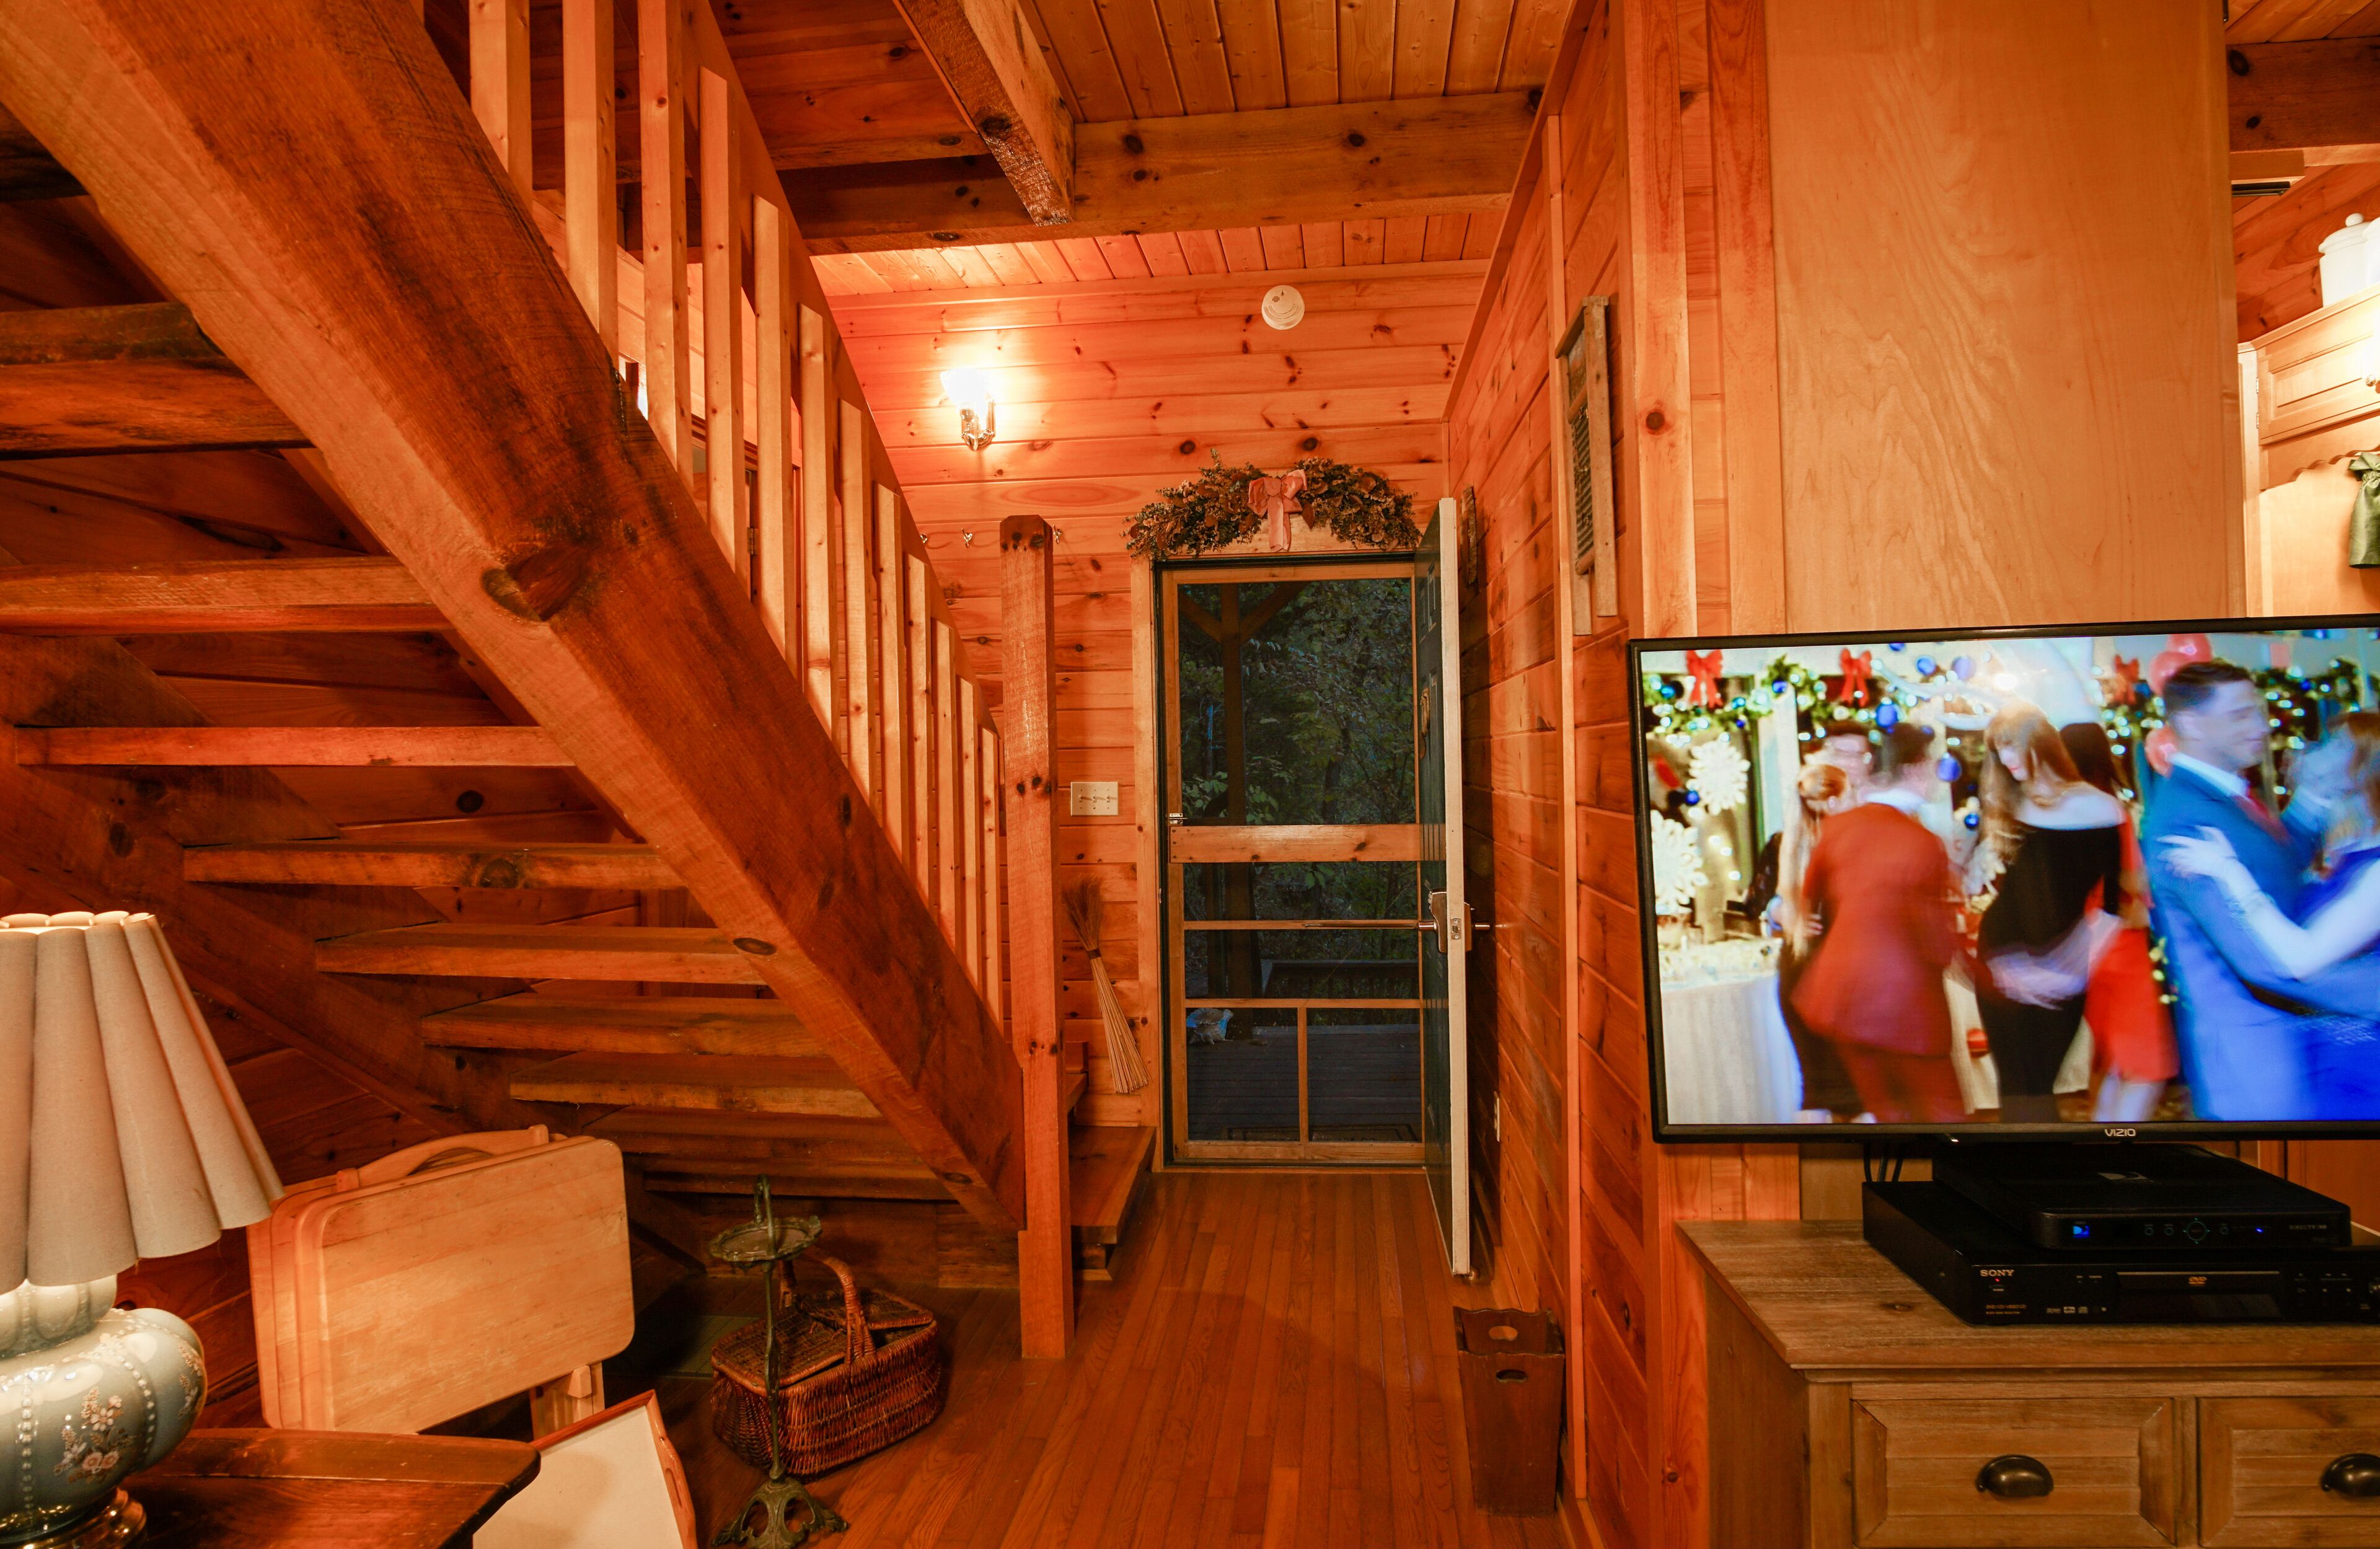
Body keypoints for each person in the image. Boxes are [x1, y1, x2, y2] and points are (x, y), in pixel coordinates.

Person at [2141, 660, 2380, 1121]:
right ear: (2191, 723)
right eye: (2240, 714)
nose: (2259, 725)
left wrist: (2310, 804)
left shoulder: (2227, 796)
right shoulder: (2187, 821)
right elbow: (2266, 964)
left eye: (2257, 710)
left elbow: (2276, 870)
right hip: (2255, 1056)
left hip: (2309, 1044)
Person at [1791, 722, 1966, 1123]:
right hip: (1905, 1007)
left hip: (1842, 1002)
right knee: (1946, 1123)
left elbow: (1808, 904)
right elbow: (1938, 944)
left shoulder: (1836, 828)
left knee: (1892, 1120)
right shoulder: (1923, 841)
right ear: (1917, 768)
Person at [1971, 705, 2128, 1123]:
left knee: (2039, 1077)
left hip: (2066, 961)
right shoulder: (2008, 803)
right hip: (2001, 956)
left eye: (2012, 747)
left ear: (2042, 742)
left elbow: (2115, 905)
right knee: (2018, 1082)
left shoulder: (2103, 808)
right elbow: (2007, 890)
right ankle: (2026, 1177)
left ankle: (2033, 1174)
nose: (2006, 761)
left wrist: (2073, 962)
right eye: (1998, 751)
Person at [2058, 720, 2180, 1122]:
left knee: (2117, 1062)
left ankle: (2100, 1151)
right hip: (2121, 948)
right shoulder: (2109, 810)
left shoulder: (2057, 814)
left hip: (2085, 949)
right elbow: (2130, 877)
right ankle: (2120, 1153)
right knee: (2147, 1064)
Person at [1773, 761, 1863, 1118]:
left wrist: (1783, 914)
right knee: (1853, 1092)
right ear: (1840, 798)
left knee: (1817, 1087)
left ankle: (1809, 1171)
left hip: (1797, 970)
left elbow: (1775, 902)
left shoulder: (1792, 845)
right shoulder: (1850, 843)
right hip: (1835, 972)